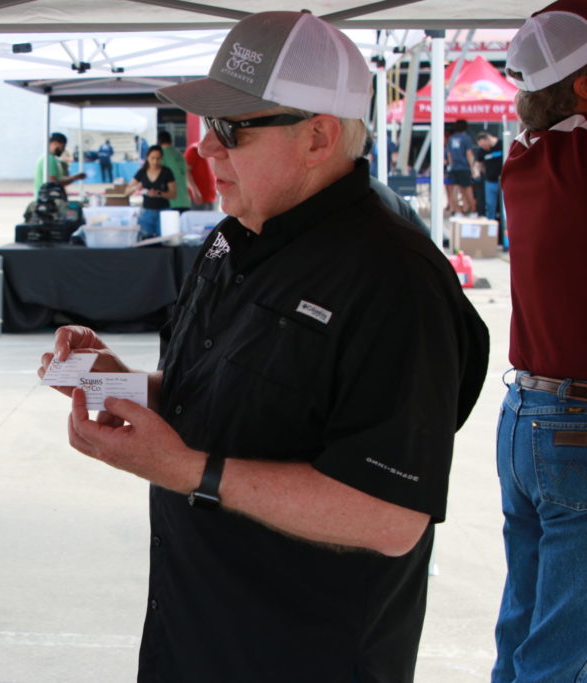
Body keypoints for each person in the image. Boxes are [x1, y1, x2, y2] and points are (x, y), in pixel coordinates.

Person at [39, 12, 488, 682]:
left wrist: (190, 470)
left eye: (233, 127)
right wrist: (110, 382)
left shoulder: (394, 279)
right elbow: (217, 393)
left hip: (305, 654)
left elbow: (392, 515)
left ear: (318, 137)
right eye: (209, 125)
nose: (209, 148)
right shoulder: (232, 240)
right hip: (192, 633)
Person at [492, 4, 587, 682]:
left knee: (526, 619)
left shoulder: (527, 160)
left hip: (527, 418)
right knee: (562, 642)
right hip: (573, 427)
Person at [125, 145, 176, 238]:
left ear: (161, 159)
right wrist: (136, 187)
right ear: (147, 158)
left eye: (158, 158)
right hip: (146, 211)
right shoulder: (142, 172)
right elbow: (126, 191)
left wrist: (159, 193)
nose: (155, 162)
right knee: (146, 239)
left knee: (164, 238)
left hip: (164, 211)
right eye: (152, 158)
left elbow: (173, 194)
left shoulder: (167, 172)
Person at [474, 130, 507, 243]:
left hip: (503, 181)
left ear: (488, 139)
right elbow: (478, 164)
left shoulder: (502, 144)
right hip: (490, 181)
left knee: (504, 208)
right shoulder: (481, 151)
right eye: (481, 146)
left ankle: (505, 235)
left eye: (484, 145)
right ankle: (490, 236)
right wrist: (477, 174)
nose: (484, 148)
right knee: (490, 206)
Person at [447, 119, 478, 216]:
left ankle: (457, 211)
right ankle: (473, 211)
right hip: (464, 167)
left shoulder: (451, 138)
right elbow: (469, 154)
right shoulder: (466, 138)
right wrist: (473, 168)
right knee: (468, 190)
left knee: (455, 190)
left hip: (454, 167)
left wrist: (452, 164)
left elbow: (449, 154)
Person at [157, 130, 193, 211]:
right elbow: (187, 174)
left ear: (158, 141)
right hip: (184, 200)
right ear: (171, 140)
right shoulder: (179, 155)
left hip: (169, 202)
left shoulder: (158, 156)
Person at [184, 141, 217, 210]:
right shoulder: (194, 149)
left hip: (210, 197)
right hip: (197, 199)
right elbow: (185, 171)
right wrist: (194, 191)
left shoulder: (211, 152)